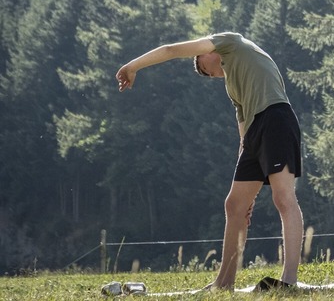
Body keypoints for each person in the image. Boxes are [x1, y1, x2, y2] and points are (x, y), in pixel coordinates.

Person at [115, 33, 304, 290]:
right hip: (254, 132)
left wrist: (132, 66)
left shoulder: (231, 42)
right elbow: (244, 137)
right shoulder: (233, 87)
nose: (211, 75)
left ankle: (289, 280)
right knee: (234, 205)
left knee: (283, 198)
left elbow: (170, 50)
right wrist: (248, 192)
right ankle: (224, 283)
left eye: (206, 69)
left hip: (276, 118)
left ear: (207, 52)